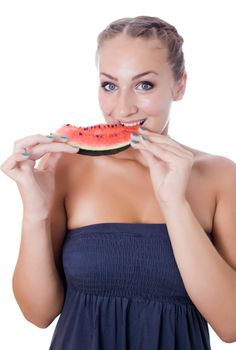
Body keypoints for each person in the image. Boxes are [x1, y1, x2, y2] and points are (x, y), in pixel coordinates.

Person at [1, 15, 236, 350]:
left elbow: (231, 325)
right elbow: (38, 314)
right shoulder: (65, 167)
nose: (122, 108)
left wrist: (174, 204)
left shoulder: (220, 177)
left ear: (180, 85)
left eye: (144, 85)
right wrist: (35, 212)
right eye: (109, 85)